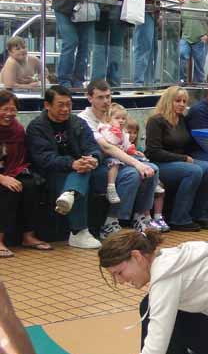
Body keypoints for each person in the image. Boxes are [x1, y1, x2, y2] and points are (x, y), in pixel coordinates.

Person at [78, 80, 160, 238]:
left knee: (153, 169)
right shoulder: (84, 119)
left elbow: (124, 141)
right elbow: (107, 147)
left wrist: (136, 154)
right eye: (100, 97)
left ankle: (140, 216)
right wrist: (136, 164)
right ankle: (111, 222)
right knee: (133, 174)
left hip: (119, 160)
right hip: (98, 164)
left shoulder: (112, 115)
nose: (106, 101)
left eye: (108, 97)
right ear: (89, 98)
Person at [25, 85, 102, 249]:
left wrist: (93, 158)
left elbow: (92, 146)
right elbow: (43, 158)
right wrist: (72, 163)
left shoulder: (78, 123)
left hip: (80, 167)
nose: (66, 109)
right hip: (51, 173)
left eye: (69, 104)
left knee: (87, 171)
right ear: (47, 105)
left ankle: (70, 193)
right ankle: (78, 232)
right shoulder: (36, 127)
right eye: (61, 105)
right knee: (80, 173)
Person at [144, 86, 208, 232]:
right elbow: (153, 152)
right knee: (194, 171)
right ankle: (179, 218)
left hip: (179, 161)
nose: (182, 104)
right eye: (177, 101)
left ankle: (198, 214)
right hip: (161, 163)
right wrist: (183, 158)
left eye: (184, 101)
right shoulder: (156, 121)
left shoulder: (182, 119)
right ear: (168, 101)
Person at [0, 90, 52, 257]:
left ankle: (28, 236)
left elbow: (21, 157)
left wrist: (14, 173)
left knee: (30, 185)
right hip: (1, 175)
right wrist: (2, 178)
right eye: (4, 109)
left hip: (12, 170)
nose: (9, 114)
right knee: (8, 190)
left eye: (13, 110)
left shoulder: (17, 129)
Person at [125, 116, 170, 233]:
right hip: (137, 174)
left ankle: (158, 216)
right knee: (149, 185)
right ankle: (145, 216)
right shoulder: (123, 147)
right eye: (129, 132)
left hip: (146, 172)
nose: (132, 135)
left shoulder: (138, 147)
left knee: (160, 188)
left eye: (135, 132)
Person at [179, 0, 208, 84]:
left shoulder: (206, 6)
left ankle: (198, 86)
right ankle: (182, 81)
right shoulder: (183, 5)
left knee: (199, 65)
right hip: (185, 38)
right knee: (182, 54)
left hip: (201, 39)